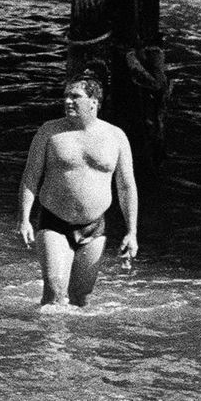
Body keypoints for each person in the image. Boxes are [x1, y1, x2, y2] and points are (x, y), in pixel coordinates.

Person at [17, 73, 138, 307]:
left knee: (81, 299)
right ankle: (48, 333)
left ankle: (72, 333)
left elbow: (126, 186)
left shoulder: (116, 137)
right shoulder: (49, 132)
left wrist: (131, 232)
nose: (67, 101)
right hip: (54, 221)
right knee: (54, 292)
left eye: (75, 96)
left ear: (93, 102)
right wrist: (24, 219)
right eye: (66, 96)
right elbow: (31, 176)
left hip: (94, 226)